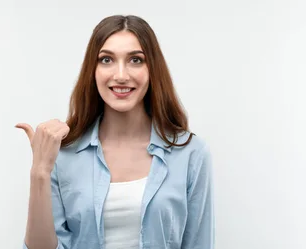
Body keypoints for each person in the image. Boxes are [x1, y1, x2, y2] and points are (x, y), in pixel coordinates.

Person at [15, 15, 214, 249]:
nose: (120, 75)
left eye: (136, 60)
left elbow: (198, 243)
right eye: (106, 59)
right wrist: (40, 170)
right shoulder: (63, 153)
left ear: (153, 69)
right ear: (93, 69)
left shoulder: (190, 153)